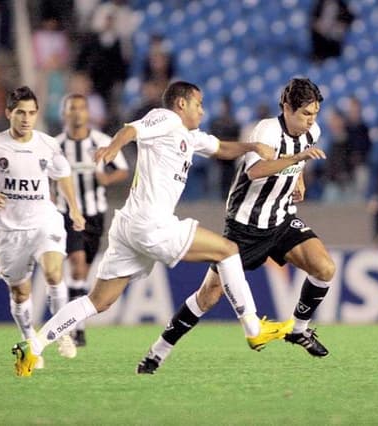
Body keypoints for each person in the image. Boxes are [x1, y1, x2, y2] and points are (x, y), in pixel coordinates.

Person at [11, 81, 292, 377]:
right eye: (199, 103)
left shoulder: (189, 136)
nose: (202, 110)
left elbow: (221, 147)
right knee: (228, 251)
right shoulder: (166, 118)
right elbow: (132, 130)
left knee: (98, 301)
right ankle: (253, 328)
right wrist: (113, 147)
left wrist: (252, 146)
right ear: (181, 104)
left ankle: (33, 347)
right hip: (151, 223)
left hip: (129, 226)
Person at [136, 78, 335, 374]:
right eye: (305, 114)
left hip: (280, 218)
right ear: (287, 108)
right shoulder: (267, 130)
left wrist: (299, 177)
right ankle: (157, 352)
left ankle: (299, 329)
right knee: (208, 296)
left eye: (314, 114)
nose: (311, 121)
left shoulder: (311, 132)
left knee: (325, 268)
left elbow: (299, 161)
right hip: (246, 227)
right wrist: (298, 159)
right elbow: (255, 171)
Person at [0, 86, 86, 369]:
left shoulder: (47, 144)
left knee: (55, 273)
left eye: (31, 113)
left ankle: (63, 332)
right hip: (9, 231)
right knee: (20, 293)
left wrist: (75, 210)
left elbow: (63, 174)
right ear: (9, 113)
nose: (26, 119)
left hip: (45, 219)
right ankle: (30, 339)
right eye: (20, 112)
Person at [55, 93, 129, 346]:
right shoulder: (55, 145)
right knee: (76, 263)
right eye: (71, 108)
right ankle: (77, 329)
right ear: (64, 113)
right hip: (66, 212)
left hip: (95, 213)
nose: (77, 113)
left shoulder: (100, 140)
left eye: (81, 108)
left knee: (83, 270)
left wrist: (106, 179)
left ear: (88, 113)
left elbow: (122, 169)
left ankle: (76, 323)